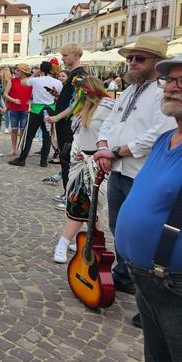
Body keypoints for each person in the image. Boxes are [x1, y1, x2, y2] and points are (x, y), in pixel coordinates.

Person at [93, 36, 176, 304]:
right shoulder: (130, 89)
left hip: (140, 173)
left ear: (157, 63)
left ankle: (147, 293)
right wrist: (104, 147)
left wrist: (116, 152)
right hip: (117, 170)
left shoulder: (163, 92)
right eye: (130, 58)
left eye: (139, 59)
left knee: (145, 234)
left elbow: (157, 134)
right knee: (119, 228)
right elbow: (109, 122)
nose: (132, 63)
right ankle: (124, 274)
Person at [115, 55, 182, 359]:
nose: (173, 87)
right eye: (169, 80)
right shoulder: (166, 138)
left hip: (173, 282)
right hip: (145, 278)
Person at [52, 76, 114, 263]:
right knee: (86, 206)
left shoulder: (108, 107)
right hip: (78, 162)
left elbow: (114, 133)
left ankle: (66, 243)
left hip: (97, 163)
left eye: (79, 90)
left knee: (89, 206)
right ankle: (90, 243)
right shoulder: (81, 108)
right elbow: (78, 133)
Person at [44, 43, 85, 197]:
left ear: (75, 54)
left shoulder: (79, 76)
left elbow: (77, 103)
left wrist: (57, 117)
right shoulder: (73, 74)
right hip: (63, 122)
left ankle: (69, 195)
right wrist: (58, 96)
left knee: (68, 159)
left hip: (68, 124)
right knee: (64, 158)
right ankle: (67, 192)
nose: (63, 58)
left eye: (65, 55)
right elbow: (70, 99)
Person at [8, 61, 62, 167]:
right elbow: (58, 96)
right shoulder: (58, 82)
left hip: (37, 110)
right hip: (50, 109)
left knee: (29, 136)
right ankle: (43, 161)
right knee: (47, 136)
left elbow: (23, 82)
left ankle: (22, 159)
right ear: (51, 70)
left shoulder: (35, 80)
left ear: (40, 70)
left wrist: (34, 74)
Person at [4, 64, 32, 156]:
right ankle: (13, 149)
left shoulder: (30, 82)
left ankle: (22, 149)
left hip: (25, 109)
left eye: (18, 70)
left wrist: (30, 101)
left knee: (23, 131)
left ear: (23, 72)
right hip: (14, 109)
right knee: (14, 130)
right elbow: (5, 94)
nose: (16, 72)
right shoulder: (12, 81)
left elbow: (33, 94)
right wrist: (13, 100)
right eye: (15, 70)